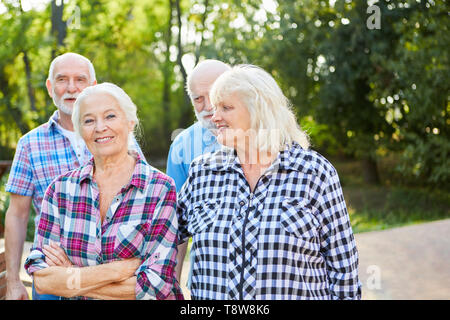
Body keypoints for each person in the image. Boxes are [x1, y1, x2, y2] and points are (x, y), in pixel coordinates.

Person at [176, 64, 361, 300]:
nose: (215, 116)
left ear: (259, 110)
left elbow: (344, 270)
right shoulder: (202, 172)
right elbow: (166, 235)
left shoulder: (315, 173)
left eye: (226, 107)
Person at [24, 83, 183, 300]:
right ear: (80, 131)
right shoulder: (60, 191)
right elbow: (42, 280)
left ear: (130, 122)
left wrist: (70, 276)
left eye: (110, 116)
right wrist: (116, 271)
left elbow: (156, 286)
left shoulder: (160, 188)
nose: (100, 127)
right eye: (89, 120)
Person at [4, 52, 144, 300]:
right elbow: (17, 214)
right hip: (52, 273)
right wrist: (14, 280)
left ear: (93, 87)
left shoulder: (123, 139)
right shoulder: (30, 144)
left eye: (80, 79)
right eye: (62, 79)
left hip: (111, 272)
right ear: (50, 87)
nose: (71, 88)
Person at [166, 60, 230, 286]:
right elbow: (176, 223)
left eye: (213, 94)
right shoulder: (183, 146)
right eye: (197, 98)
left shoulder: (267, 137)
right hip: (208, 280)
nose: (207, 106)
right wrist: (172, 288)